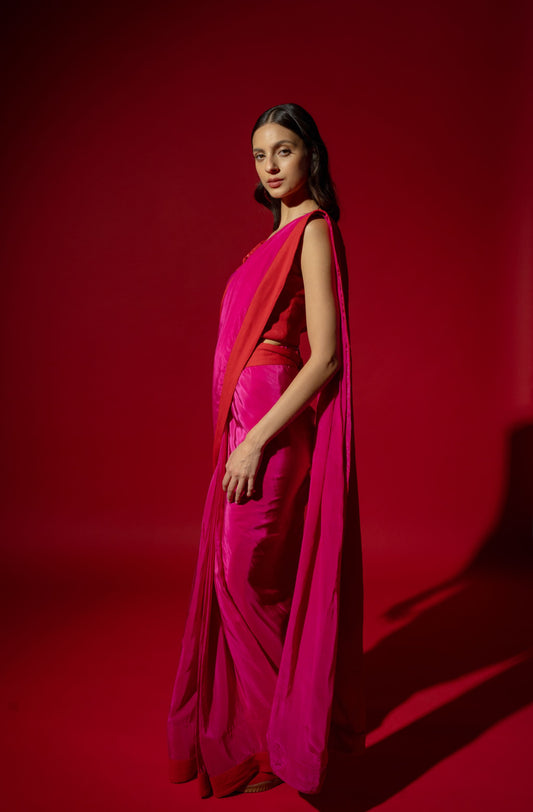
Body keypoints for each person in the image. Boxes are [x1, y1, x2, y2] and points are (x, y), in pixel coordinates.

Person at [167, 103, 365, 799]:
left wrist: (254, 439)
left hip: (270, 429)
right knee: (235, 578)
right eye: (260, 154)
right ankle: (271, 732)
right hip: (241, 425)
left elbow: (326, 357)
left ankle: (295, 733)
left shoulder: (312, 230)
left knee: (247, 576)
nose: (271, 165)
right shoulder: (267, 242)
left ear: (311, 154)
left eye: (284, 149)